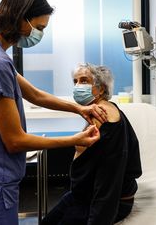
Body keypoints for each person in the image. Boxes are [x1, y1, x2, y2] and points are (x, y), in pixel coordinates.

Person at [0, 0, 107, 225]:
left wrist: (78, 108)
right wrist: (75, 139)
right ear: (20, 18)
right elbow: (15, 141)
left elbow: (34, 94)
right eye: (39, 28)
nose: (39, 35)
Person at [41, 63, 142, 225]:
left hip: (106, 201)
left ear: (101, 89)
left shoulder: (103, 117)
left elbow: (109, 178)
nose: (77, 86)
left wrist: (97, 220)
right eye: (75, 81)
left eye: (84, 81)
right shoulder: (97, 110)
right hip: (82, 195)